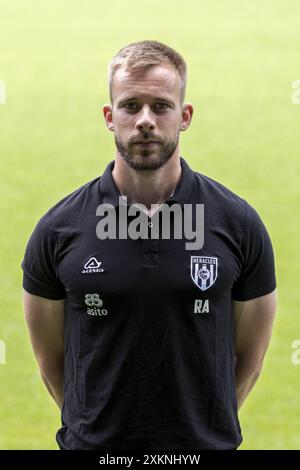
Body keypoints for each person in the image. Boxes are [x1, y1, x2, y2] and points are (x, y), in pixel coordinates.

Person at [22, 40, 277, 450]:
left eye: (160, 106)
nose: (145, 120)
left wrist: (201, 435)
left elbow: (250, 357)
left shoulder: (239, 223)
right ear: (109, 116)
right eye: (130, 106)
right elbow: (49, 358)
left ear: (185, 115)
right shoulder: (58, 229)